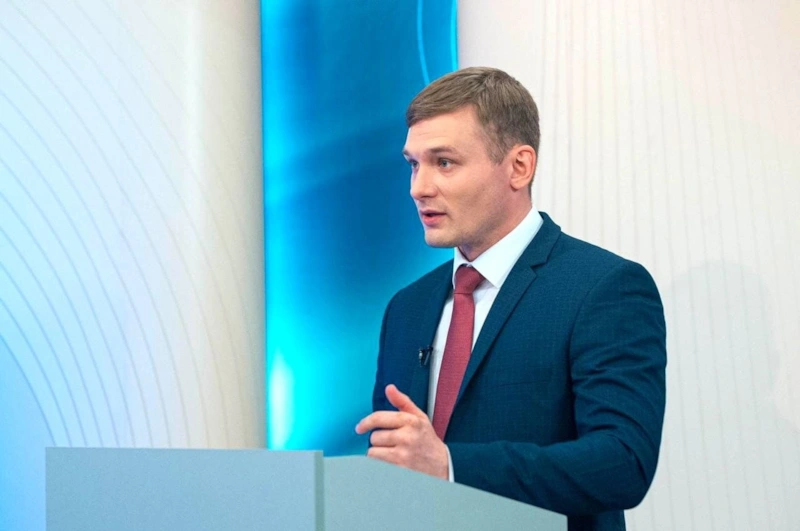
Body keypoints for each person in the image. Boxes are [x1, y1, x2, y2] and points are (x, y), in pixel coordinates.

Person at [355, 66, 666, 531]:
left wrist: (451, 466)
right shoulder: (406, 308)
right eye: (413, 164)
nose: (418, 188)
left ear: (519, 167)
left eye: (444, 162)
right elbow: (397, 460)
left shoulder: (603, 289)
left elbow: (622, 463)